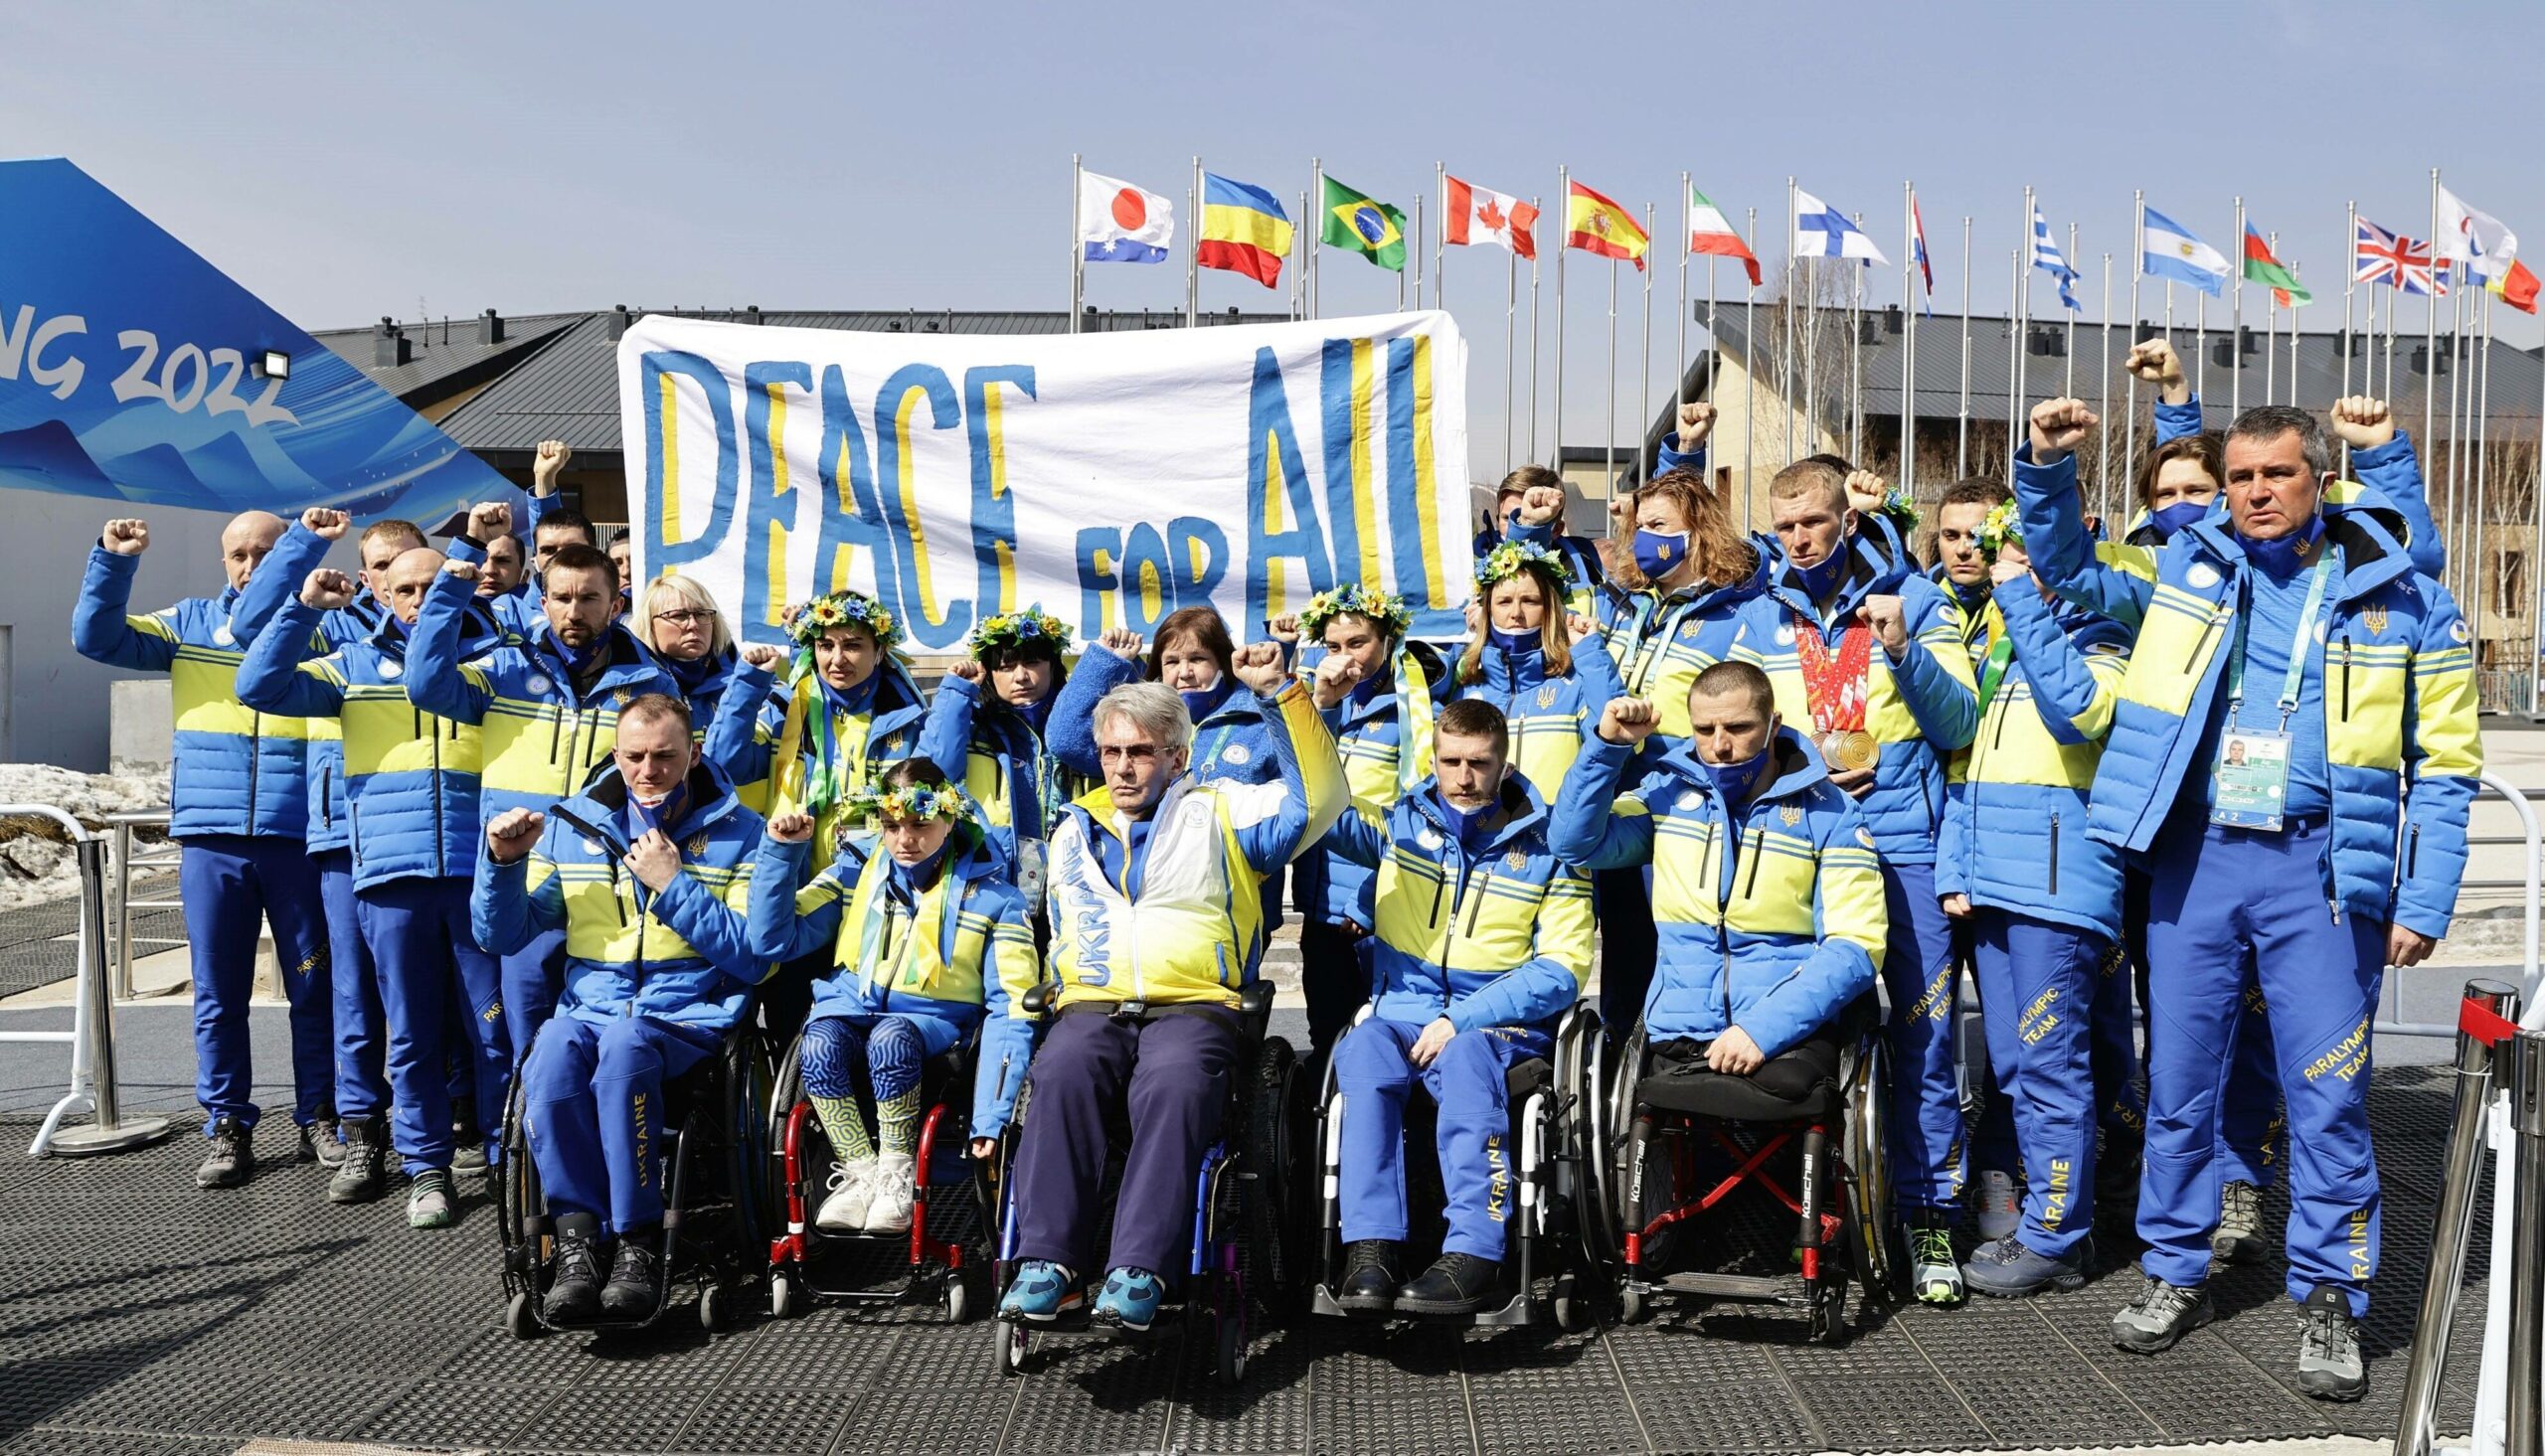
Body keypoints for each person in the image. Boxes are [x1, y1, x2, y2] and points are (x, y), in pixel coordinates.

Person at [2013, 396, 2479, 1400]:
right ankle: (2173, 1267)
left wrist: (2425, 893)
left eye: (2276, 473)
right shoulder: (2182, 563)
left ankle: (2330, 1295)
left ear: (2319, 478)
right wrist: (2047, 467)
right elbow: (2064, 567)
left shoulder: (2405, 598)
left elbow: (2445, 766)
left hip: (2321, 872)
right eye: (2238, 476)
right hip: (2199, 862)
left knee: (2329, 1096)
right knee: (2177, 1080)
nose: (2255, 492)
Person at [996, 649, 1344, 1332]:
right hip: (1094, 1004)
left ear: (1180, 758)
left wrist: (1278, 691)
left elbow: (1323, 799)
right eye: (1111, 752)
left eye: (1141, 752)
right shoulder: (1072, 827)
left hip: (1195, 1002)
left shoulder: (1224, 811)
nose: (1123, 766)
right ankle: (1049, 1264)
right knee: (1062, 1069)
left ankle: (1139, 1267)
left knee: (1175, 1082)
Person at [1731, 455, 1977, 1303]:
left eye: (1815, 522)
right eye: (1787, 525)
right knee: (1803, 1029)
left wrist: (1902, 647)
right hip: (1807, 845)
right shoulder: (1759, 615)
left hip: (1904, 844)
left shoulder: (1918, 598)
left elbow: (1959, 719)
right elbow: (1734, 720)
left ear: (1847, 518)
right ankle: (1815, 1207)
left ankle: (1932, 1219)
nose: (1801, 539)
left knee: (1926, 1042)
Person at [236, 548, 512, 1227]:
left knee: (496, 1033)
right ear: (383, 593)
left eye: (431, 586)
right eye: (405, 588)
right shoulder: (353, 666)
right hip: (390, 878)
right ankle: (425, 1169)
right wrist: (301, 608)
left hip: (480, 872)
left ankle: (511, 1159)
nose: (418, 600)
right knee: (411, 1034)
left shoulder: (498, 661)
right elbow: (258, 686)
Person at [472, 694, 769, 1322]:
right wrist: (501, 864)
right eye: (634, 757)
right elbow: (502, 935)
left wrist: (673, 884)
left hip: (688, 1015)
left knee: (626, 1046)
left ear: (694, 754)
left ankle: (636, 1241)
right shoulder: (575, 827)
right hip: (594, 1009)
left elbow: (752, 957)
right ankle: (578, 1241)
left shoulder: (742, 832)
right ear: (615, 755)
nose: (648, 771)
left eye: (665, 756)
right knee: (550, 1049)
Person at [73, 511, 335, 1189]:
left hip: (300, 837)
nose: (249, 565)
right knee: (219, 995)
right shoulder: (189, 624)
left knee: (315, 989)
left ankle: (320, 1117)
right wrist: (113, 560)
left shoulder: (326, 624)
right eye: (238, 554)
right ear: (223, 560)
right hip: (213, 839)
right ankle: (227, 1124)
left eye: (264, 552)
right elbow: (95, 636)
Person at [1321, 699, 1594, 1314]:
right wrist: (1307, 705)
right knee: (1361, 1047)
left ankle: (1474, 1252)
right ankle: (1372, 1247)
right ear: (1433, 760)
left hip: (1501, 1024)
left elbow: (1561, 970)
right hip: (1402, 1010)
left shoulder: (1556, 844)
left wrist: (1460, 1019)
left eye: (1479, 763)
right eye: (1451, 762)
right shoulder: (1399, 823)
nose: (1464, 778)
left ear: (1505, 762)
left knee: (1468, 1054)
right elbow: (1319, 802)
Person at [1930, 490, 2134, 1297]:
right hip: (1995, 885)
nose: (2017, 567)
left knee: (2052, 1065)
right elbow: (1968, 766)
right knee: (2012, 1066)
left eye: (2031, 556)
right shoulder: (2007, 645)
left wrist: (2020, 601)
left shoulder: (2107, 631)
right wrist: (1958, 870)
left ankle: (2061, 1235)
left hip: (2060, 887)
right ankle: (2042, 1219)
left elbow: (2082, 713)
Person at [1547, 662, 1883, 1137]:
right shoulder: (1665, 795)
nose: (1720, 746)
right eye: (1704, 730)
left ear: (1774, 726)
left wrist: (1760, 1031)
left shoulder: (1831, 812)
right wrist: (1608, 748)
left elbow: (1856, 946)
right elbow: (1572, 844)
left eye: (1739, 727)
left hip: (1787, 1036)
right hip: (1677, 1034)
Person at [409, 500, 682, 1060]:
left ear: (617, 604)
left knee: (603, 1040)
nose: (573, 611)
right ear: (542, 600)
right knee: (525, 1042)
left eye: (589, 598)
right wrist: (462, 559)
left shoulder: (654, 684)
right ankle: (522, 1148)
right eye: (561, 598)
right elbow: (425, 684)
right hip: (525, 885)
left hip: (608, 887)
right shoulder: (507, 667)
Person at [227, 510, 440, 1174]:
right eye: (381, 567)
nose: (397, 579)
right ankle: (358, 1124)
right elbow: (248, 628)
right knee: (351, 993)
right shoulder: (333, 627)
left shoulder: (459, 634)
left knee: (434, 998)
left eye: (410, 566)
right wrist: (303, 553)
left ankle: (440, 1127)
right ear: (365, 575)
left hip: (430, 843)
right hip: (343, 838)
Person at [747, 759, 1038, 1234]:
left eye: (921, 825)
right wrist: (782, 854)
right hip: (849, 1009)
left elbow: (1011, 1005)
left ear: (951, 820)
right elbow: (771, 942)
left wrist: (991, 1116)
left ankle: (896, 1173)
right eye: (890, 825)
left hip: (931, 1029)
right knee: (817, 1042)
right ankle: (860, 1172)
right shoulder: (853, 875)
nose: (905, 839)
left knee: (891, 1036)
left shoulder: (996, 898)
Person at [1532, 457, 1765, 1042]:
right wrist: (1529, 531)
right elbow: (1523, 585)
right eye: (1640, 528)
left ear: (1698, 534)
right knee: (1626, 952)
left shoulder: (1736, 616)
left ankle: (1680, 1063)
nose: (1645, 540)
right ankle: (1622, 1070)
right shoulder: (1625, 608)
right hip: (1617, 795)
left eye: (1660, 527)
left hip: (1684, 805)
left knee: (1675, 946)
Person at [1285, 584, 1439, 1066]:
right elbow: (1310, 779)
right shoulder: (1317, 696)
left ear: (1388, 641)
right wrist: (1325, 707)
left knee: (1382, 1037)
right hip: (1320, 905)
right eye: (1333, 646)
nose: (1344, 656)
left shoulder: (1416, 704)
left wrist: (1369, 897)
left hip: (1378, 906)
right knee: (1327, 1036)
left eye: (1358, 643)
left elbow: (1419, 816)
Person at [922, 606, 1080, 910]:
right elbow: (931, 772)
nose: (1020, 676)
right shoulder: (971, 727)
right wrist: (958, 691)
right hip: (995, 892)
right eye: (1006, 667)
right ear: (990, 674)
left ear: (1053, 665)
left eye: (1033, 662)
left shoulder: (1078, 728)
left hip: (1073, 887)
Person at [1448, 541, 1620, 804]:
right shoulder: (1465, 682)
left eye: (1530, 601)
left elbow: (1615, 736)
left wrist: (1592, 652)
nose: (1516, 614)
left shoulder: (1576, 679)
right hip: (1481, 836)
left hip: (1548, 836)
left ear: (1550, 609)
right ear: (1487, 611)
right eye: (1504, 602)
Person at [1473, 465, 1605, 609]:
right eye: (1507, 519)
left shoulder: (1586, 568)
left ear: (1557, 530)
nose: (1515, 528)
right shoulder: (1473, 562)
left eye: (1529, 520)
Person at [633, 573, 744, 730]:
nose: (693, 624)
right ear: (650, 625)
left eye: (701, 614)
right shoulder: (630, 686)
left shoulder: (745, 681)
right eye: (678, 615)